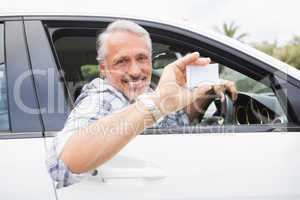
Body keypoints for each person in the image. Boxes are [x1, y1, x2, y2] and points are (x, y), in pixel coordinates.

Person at [46, 20, 237, 188]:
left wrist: (209, 93)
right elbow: (62, 165)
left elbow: (178, 118)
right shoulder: (104, 97)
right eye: (122, 61)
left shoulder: (144, 93)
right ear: (103, 69)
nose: (136, 71)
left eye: (141, 58)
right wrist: (159, 102)